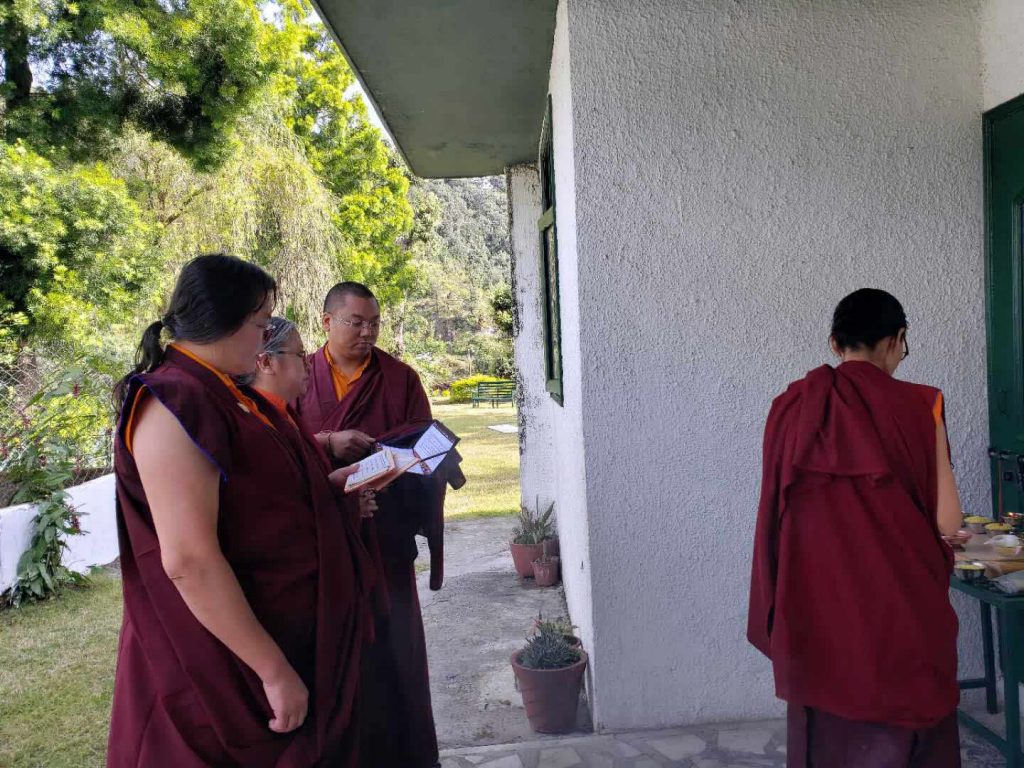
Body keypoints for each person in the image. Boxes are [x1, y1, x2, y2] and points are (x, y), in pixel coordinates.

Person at [108, 254, 367, 767]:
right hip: (223, 659)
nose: (264, 335)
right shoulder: (172, 401)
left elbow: (261, 499)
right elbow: (189, 561)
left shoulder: (224, 391)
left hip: (277, 624)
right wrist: (271, 669)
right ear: (224, 321)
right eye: (259, 323)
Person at [748, 288, 964, 768]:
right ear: (898, 339)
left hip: (819, 617)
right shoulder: (922, 405)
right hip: (905, 615)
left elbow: (776, 521)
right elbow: (948, 522)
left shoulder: (791, 408)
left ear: (834, 344)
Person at [296, 281, 458, 768]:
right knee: (335, 657)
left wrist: (389, 465)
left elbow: (429, 450)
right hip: (322, 544)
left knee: (395, 652)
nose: (367, 333)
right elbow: (277, 446)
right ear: (327, 322)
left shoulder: (401, 378)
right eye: (355, 322)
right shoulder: (297, 373)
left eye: (374, 323)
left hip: (384, 539)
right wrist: (327, 441)